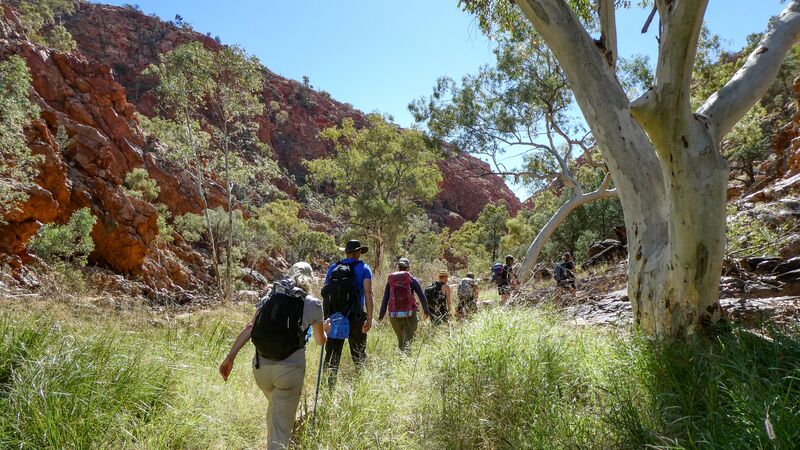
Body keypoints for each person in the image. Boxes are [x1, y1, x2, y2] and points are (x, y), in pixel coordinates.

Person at [219, 262, 330, 450]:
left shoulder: (271, 295)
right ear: (310, 279)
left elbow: (250, 327)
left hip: (261, 369)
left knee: (276, 407)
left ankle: (271, 440)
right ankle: (275, 444)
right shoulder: (312, 303)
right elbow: (320, 341)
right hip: (289, 371)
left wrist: (230, 358)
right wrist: (325, 329)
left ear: (290, 275)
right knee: (281, 429)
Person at [321, 240, 374, 387]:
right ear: (357, 252)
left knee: (333, 355)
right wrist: (369, 319)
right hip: (356, 317)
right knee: (358, 354)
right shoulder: (364, 268)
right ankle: (361, 385)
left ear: (346, 252)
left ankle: (328, 387)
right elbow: (368, 293)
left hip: (335, 317)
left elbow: (326, 292)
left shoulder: (333, 267)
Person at [378, 257, 431, 352]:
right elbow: (422, 296)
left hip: (394, 316)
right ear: (408, 268)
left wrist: (381, 315)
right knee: (408, 342)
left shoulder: (391, 281)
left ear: (398, 267)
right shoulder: (412, 280)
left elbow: (385, 299)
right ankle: (406, 362)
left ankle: (401, 360)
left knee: (401, 341)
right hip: (410, 314)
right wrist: (426, 311)